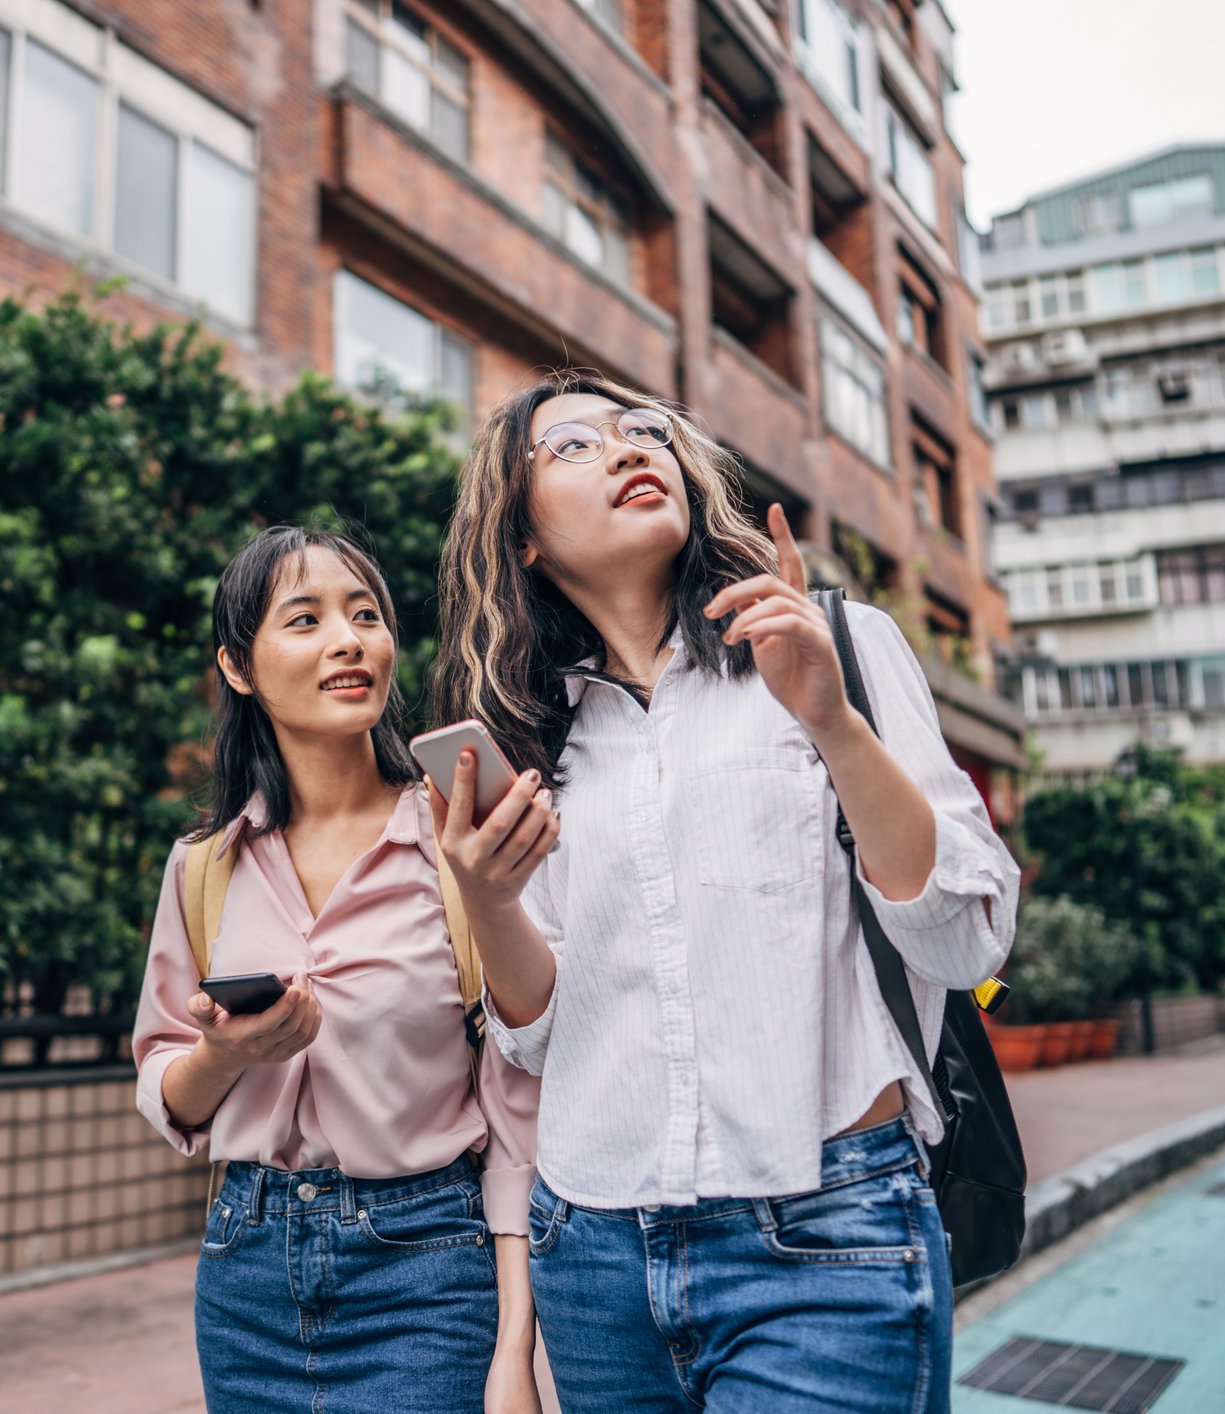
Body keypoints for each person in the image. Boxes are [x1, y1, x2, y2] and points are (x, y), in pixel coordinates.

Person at [427, 372, 1019, 1412]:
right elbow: (542, 1035)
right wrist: (487, 902)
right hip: (596, 1252)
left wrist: (833, 721)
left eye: (642, 429)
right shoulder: (538, 739)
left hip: (825, 1233)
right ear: (521, 537)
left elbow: (966, 937)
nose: (625, 447)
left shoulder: (830, 643)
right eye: (572, 446)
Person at [133, 526, 546, 1414]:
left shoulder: (456, 840)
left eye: (365, 614)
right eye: (305, 619)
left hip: (428, 1265)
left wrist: (515, 1349)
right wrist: (226, 1056)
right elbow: (166, 1083)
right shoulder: (203, 866)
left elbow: (519, 1112)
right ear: (239, 668)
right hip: (244, 1271)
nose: (348, 640)